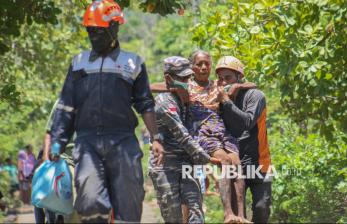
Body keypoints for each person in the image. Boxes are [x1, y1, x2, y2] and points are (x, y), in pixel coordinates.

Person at [48, 0, 164, 223]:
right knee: (89, 203)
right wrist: (57, 141)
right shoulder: (78, 63)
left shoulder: (133, 63)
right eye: (90, 31)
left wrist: (156, 138)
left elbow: (145, 103)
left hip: (123, 142)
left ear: (114, 27)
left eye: (98, 31)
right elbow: (66, 105)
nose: (93, 36)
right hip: (87, 142)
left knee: (129, 203)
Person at [149, 56, 221, 223]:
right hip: (166, 167)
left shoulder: (186, 97)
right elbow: (182, 135)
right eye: (182, 78)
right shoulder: (163, 102)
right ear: (169, 78)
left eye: (188, 77)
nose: (187, 81)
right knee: (174, 218)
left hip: (188, 164)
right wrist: (208, 159)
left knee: (196, 214)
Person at [216, 56, 272, 223]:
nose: (224, 82)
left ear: (239, 77)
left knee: (262, 208)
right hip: (235, 163)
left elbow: (247, 122)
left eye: (228, 77)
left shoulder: (255, 96)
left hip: (259, 162)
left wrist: (227, 102)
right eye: (220, 78)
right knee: (238, 216)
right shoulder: (217, 99)